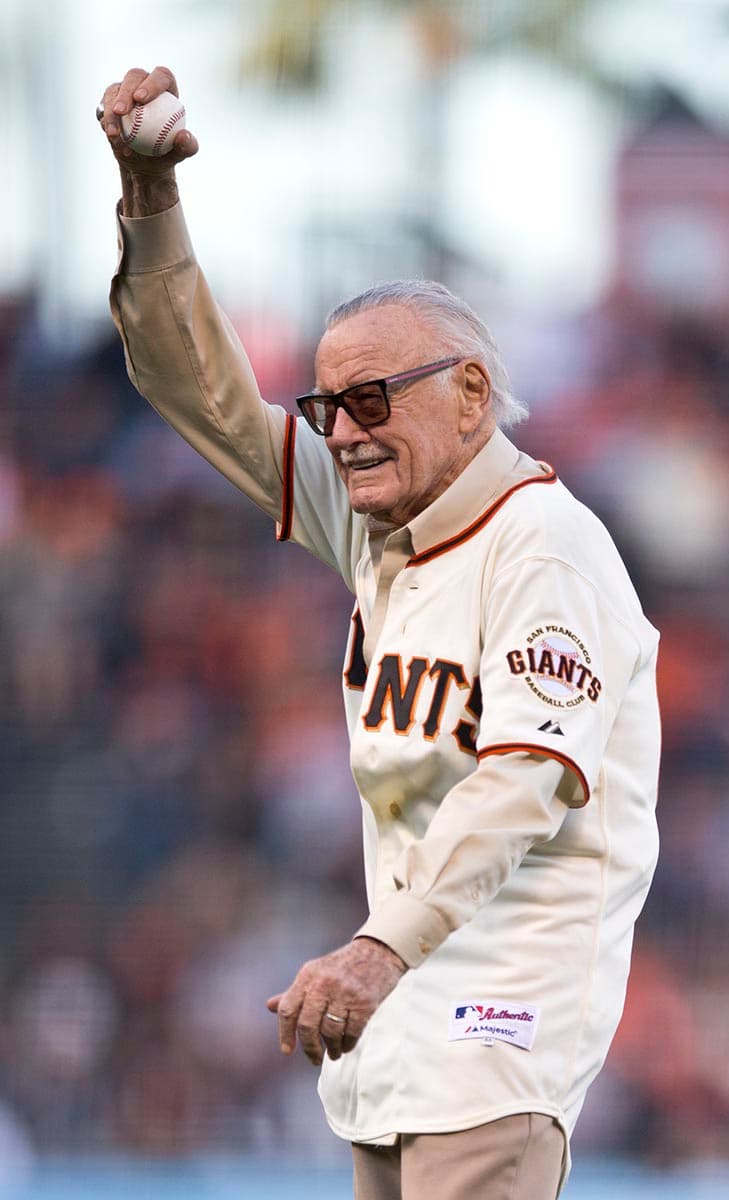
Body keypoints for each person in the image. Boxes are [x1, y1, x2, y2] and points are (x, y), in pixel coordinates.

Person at [98, 66, 660, 1200]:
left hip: (496, 1030)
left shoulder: (542, 542)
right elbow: (197, 391)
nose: (342, 433)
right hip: (399, 1038)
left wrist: (375, 948)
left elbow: (521, 779)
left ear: (468, 391)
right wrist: (149, 200)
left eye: (371, 400)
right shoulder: (381, 526)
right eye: (324, 406)